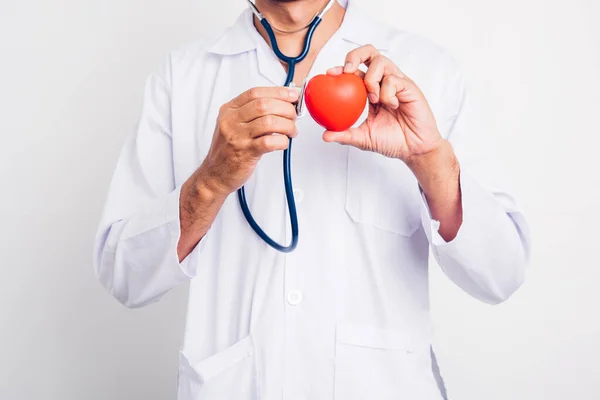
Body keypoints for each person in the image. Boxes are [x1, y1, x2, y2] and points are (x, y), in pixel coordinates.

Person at [93, 0, 531, 398]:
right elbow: (125, 275)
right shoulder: (182, 77)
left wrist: (428, 158)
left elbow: (500, 274)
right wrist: (211, 180)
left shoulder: (428, 71)